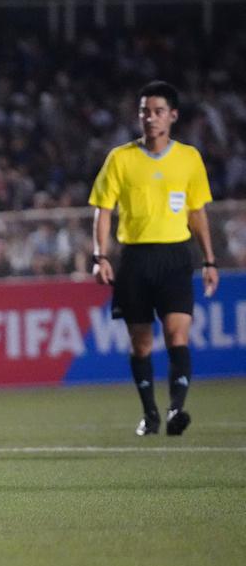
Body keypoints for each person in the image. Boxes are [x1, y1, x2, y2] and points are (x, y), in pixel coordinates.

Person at [89, 80, 218, 436]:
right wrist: (100, 256)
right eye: (145, 111)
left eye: (159, 111)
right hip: (135, 258)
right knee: (141, 342)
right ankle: (151, 414)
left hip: (176, 256)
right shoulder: (121, 158)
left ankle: (177, 408)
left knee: (178, 334)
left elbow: (197, 211)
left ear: (173, 116)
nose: (151, 117)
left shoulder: (189, 158)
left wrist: (209, 260)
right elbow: (103, 210)